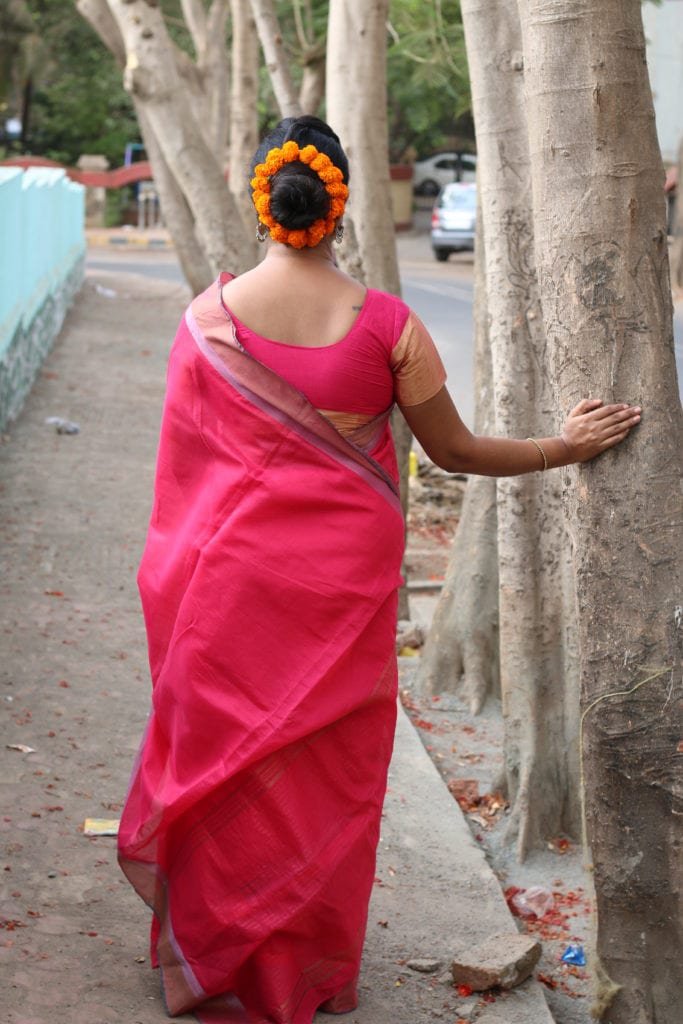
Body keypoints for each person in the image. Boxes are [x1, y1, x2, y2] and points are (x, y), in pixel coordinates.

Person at [117, 116, 640, 1024]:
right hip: (341, 596)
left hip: (224, 591)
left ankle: (212, 959)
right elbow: (457, 452)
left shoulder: (205, 325)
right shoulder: (389, 328)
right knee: (327, 781)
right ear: (341, 205)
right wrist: (565, 444)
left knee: (229, 764)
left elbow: (183, 486)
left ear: (262, 202)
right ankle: (304, 975)